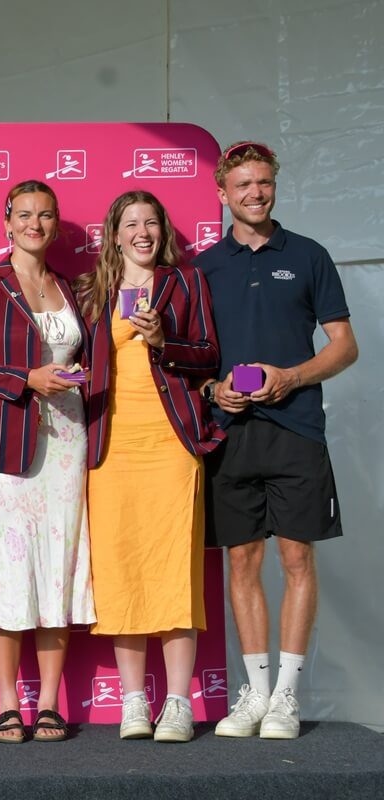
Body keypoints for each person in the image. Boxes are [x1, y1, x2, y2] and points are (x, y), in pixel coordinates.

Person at [194, 142, 357, 740]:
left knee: (295, 557)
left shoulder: (309, 255)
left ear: (274, 186)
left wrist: (290, 376)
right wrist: (215, 390)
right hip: (230, 434)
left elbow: (344, 345)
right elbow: (193, 363)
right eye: (243, 184)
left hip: (297, 430)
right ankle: (255, 695)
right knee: (242, 560)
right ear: (222, 193)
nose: (255, 193)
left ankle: (287, 696)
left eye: (263, 182)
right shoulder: (204, 267)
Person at [0, 181, 94, 743]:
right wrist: (24, 380)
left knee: (59, 565)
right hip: (2, 444)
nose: (35, 223)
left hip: (68, 440)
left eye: (46, 215)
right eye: (25, 215)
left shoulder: (72, 288)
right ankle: (9, 702)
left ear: (55, 225)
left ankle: (50, 702)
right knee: (8, 571)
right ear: (7, 223)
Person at [75, 190, 224, 743]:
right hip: (109, 449)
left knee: (173, 569)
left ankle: (179, 703)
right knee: (120, 570)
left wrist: (165, 342)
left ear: (163, 230)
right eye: (130, 224)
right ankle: (135, 702)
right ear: (113, 234)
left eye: (151, 222)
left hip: (170, 444)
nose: (142, 232)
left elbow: (208, 352)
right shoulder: (92, 292)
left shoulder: (187, 282)